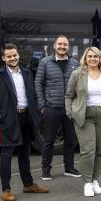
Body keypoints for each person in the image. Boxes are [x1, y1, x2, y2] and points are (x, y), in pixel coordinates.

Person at [0, 43, 49, 201]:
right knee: (6, 154)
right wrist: (2, 118)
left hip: (27, 117)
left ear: (18, 55)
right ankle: (6, 190)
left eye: (14, 55)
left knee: (25, 153)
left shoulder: (27, 73)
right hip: (10, 120)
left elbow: (33, 95)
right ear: (3, 58)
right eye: (9, 56)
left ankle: (28, 184)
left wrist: (36, 113)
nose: (12, 58)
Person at [65, 47, 101, 197]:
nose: (92, 59)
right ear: (85, 58)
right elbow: (69, 96)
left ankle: (95, 180)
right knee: (88, 150)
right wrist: (71, 113)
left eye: (95, 56)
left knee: (100, 151)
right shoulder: (77, 74)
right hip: (84, 115)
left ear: (100, 58)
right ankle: (87, 183)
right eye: (89, 56)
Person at [35, 35, 81, 180]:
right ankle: (45, 170)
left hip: (69, 109)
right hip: (51, 108)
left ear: (68, 47)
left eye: (65, 44)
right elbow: (38, 84)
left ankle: (69, 167)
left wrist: (77, 105)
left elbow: (80, 86)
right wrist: (42, 105)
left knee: (70, 140)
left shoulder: (75, 63)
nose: (62, 47)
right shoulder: (45, 62)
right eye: (59, 44)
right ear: (54, 46)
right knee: (48, 141)